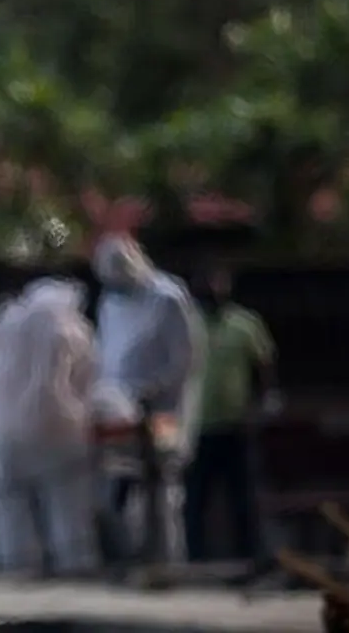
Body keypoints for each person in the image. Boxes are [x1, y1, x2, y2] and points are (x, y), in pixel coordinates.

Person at [0, 278, 100, 575]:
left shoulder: (4, 325)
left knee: (9, 508)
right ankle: (75, 568)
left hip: (5, 432)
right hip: (59, 431)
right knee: (66, 505)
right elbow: (89, 384)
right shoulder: (74, 330)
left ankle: (18, 571)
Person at [90, 235, 203, 564]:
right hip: (118, 409)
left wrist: (150, 390)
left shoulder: (167, 297)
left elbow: (185, 359)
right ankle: (132, 556)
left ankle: (169, 560)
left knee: (163, 486)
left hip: (163, 409)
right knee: (118, 487)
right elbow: (106, 353)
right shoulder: (110, 301)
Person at [184, 261, 278, 570]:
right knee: (195, 498)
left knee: (242, 496)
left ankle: (248, 557)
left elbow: (264, 364)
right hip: (196, 426)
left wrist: (264, 402)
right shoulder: (188, 322)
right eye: (208, 282)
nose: (213, 289)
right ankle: (195, 559)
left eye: (219, 282)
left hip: (235, 424)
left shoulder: (245, 323)